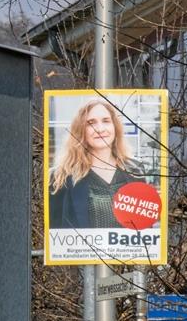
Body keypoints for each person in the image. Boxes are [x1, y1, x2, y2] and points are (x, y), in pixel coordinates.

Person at [48, 98, 141, 229]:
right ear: (81, 130)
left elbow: (144, 227)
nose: (100, 128)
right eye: (91, 123)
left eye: (106, 121)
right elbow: (55, 231)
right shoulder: (60, 176)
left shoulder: (135, 171)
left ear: (115, 127)